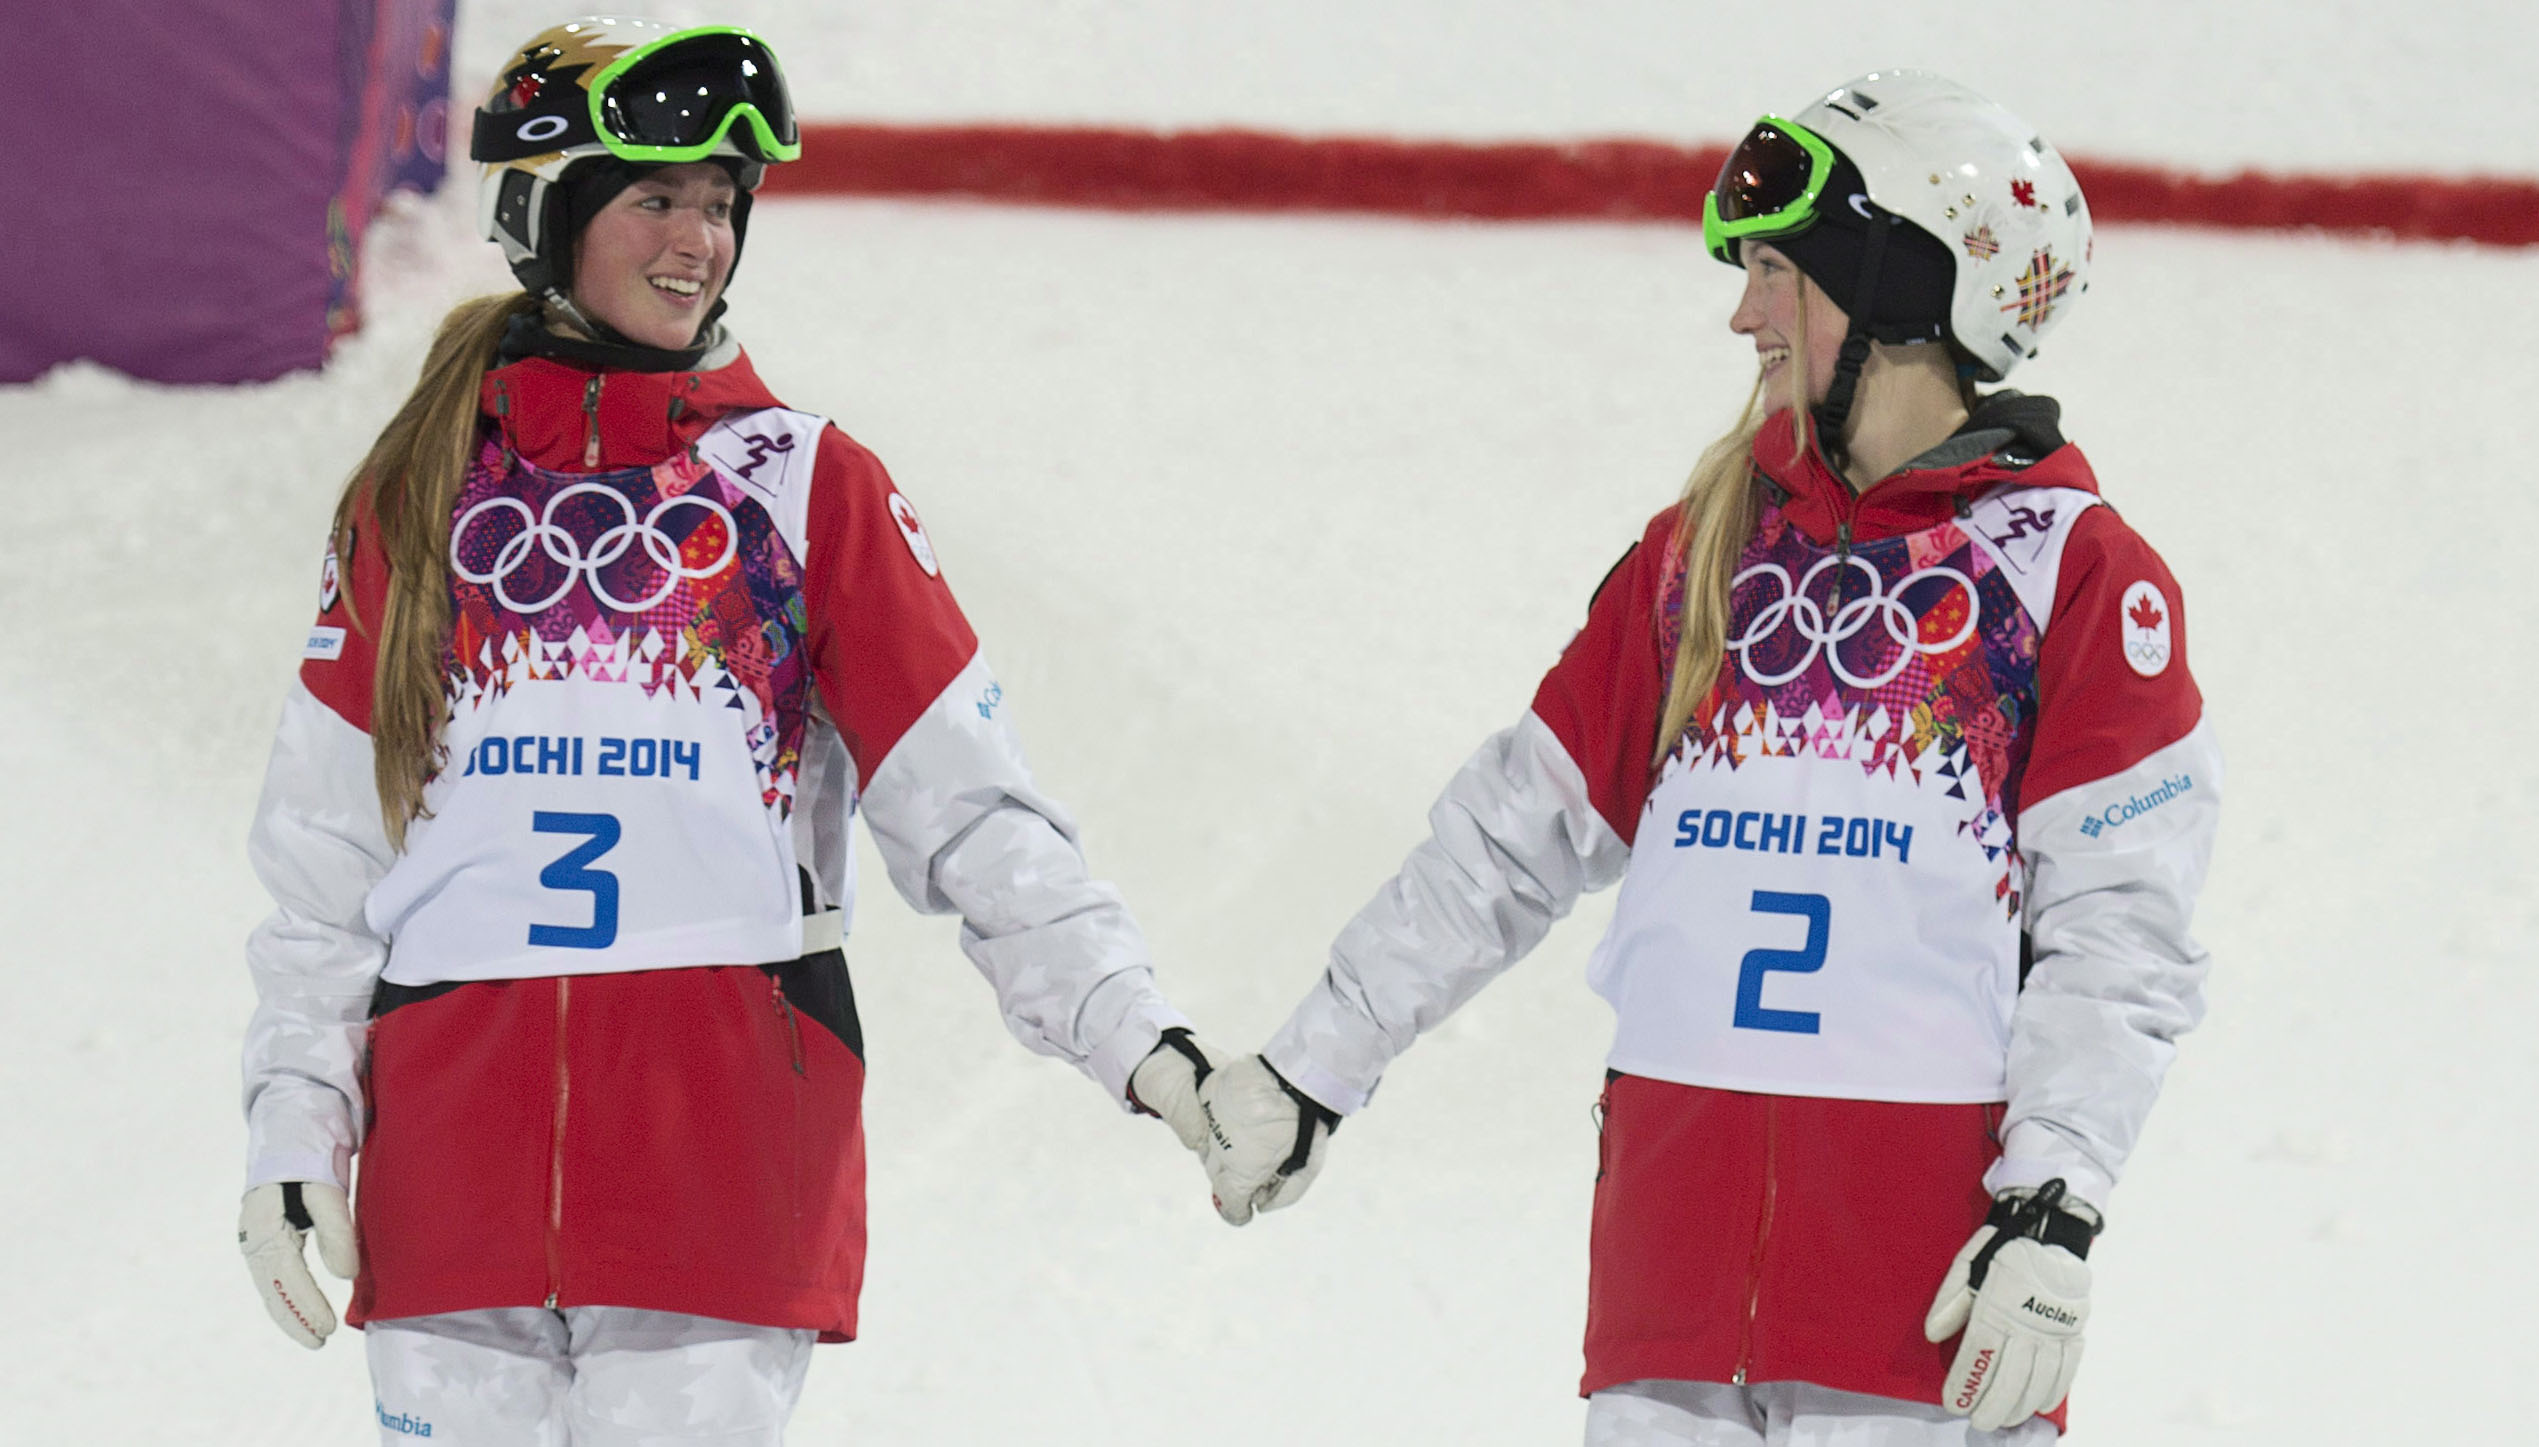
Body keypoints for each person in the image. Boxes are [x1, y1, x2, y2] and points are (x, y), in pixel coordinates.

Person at [1183, 71, 2221, 1444]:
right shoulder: (1701, 559)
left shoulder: (2076, 578)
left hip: (1920, 1322)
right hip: (1668, 1311)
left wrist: (2057, 1207)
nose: (1743, 315)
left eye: (1781, 274)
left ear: (1902, 283)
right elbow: (1509, 841)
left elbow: (2118, 937)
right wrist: (1312, 1066)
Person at [235, 19, 1218, 1443]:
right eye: (657, 197)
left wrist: (1143, 1041)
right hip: (450, 1190)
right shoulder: (415, 496)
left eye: (722, 202)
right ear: (546, 210)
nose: (700, 237)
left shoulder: (807, 486)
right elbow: (322, 866)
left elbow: (974, 817)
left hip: (714, 1183)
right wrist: (289, 1130)